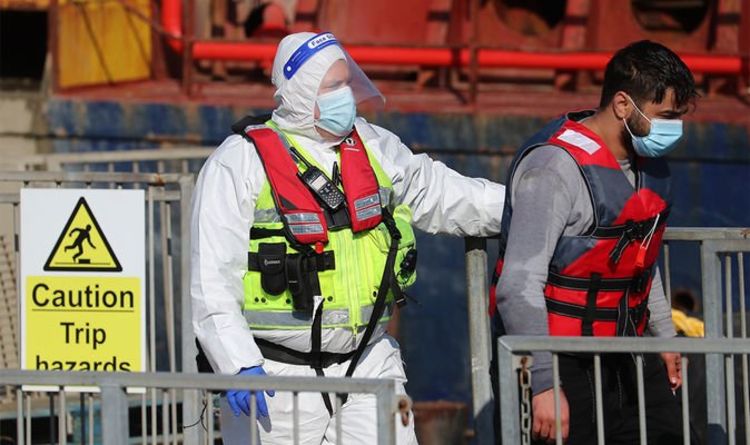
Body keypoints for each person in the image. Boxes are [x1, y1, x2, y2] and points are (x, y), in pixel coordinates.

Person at [190, 31, 504, 444]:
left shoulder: (373, 145)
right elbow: (211, 277)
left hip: (369, 363)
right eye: (332, 87)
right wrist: (237, 364)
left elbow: (442, 193)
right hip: (277, 376)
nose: (346, 96)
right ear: (301, 95)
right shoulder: (239, 162)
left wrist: (525, 207)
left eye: (346, 83)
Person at [492, 40, 698, 443]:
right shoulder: (553, 169)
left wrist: (666, 340)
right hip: (563, 360)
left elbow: (642, 262)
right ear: (622, 105)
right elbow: (517, 286)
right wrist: (544, 384)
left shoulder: (648, 167)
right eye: (666, 117)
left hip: (628, 352)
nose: (674, 129)